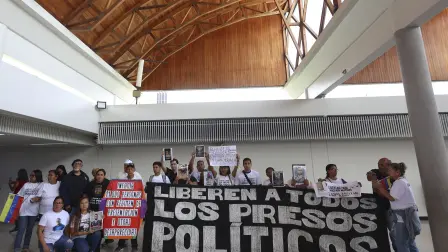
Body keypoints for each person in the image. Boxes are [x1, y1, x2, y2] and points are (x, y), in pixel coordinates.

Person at [373, 163, 421, 252]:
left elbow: (391, 198)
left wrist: (380, 188)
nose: (388, 172)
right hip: (406, 213)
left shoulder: (399, 183)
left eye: (390, 170)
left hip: (403, 215)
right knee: (410, 241)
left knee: (401, 242)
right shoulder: (403, 181)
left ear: (397, 172)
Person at [367, 157, 397, 251]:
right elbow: (370, 177)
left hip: (391, 208)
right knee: (379, 233)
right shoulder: (375, 172)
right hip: (378, 207)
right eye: (379, 164)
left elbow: (379, 190)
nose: (379, 167)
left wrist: (378, 187)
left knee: (394, 233)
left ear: (388, 165)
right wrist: (371, 176)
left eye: (382, 165)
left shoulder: (393, 175)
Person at [14, 170, 43, 252]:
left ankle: (25, 247)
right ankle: (16, 248)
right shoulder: (26, 184)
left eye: (33, 175)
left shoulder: (41, 185)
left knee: (29, 230)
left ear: (37, 176)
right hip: (23, 210)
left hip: (33, 212)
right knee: (21, 229)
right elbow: (19, 195)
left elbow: (40, 196)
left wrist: (36, 199)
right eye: (30, 175)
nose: (31, 176)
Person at [115, 162, 141, 252]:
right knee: (123, 225)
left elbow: (141, 193)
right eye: (128, 169)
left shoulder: (138, 179)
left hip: (134, 206)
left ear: (134, 170)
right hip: (124, 205)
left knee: (133, 226)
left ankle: (134, 246)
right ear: (126, 170)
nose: (129, 170)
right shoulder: (122, 179)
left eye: (131, 169)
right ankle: (121, 245)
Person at [8, 168, 29, 233]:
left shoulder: (18, 181)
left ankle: (17, 227)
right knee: (21, 214)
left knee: (15, 215)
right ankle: (21, 227)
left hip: (16, 198)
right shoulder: (27, 181)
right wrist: (13, 182)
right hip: (23, 199)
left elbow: (12, 189)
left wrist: (9, 184)